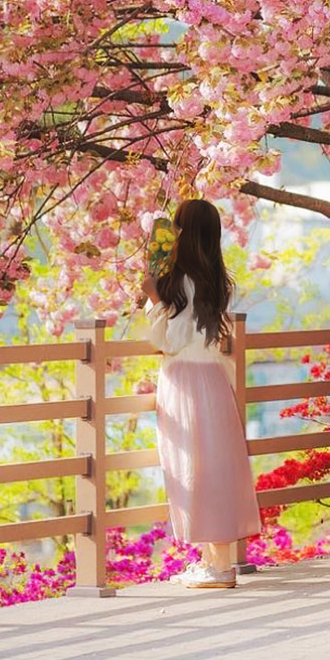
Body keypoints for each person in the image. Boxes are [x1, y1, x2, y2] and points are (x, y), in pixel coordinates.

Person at [142, 198, 262, 589]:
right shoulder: (214, 278)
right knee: (213, 465)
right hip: (212, 377)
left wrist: (155, 298)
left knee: (194, 466)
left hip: (185, 380)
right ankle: (214, 562)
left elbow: (169, 339)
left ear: (184, 233)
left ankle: (220, 567)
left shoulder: (180, 281)